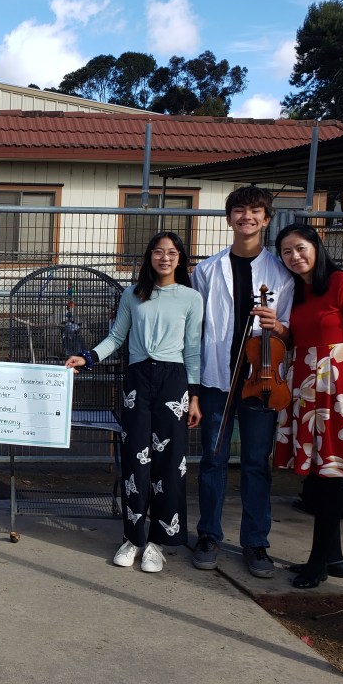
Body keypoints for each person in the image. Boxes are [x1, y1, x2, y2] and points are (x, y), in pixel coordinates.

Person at [65, 233, 202, 573]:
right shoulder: (134, 294)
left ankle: (158, 542)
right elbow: (116, 337)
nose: (165, 258)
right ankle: (133, 537)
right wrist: (88, 357)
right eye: (158, 251)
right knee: (135, 459)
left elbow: (193, 349)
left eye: (172, 252)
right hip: (138, 380)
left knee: (170, 462)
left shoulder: (191, 298)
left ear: (181, 258)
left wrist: (195, 397)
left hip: (174, 380)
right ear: (149, 257)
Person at [192, 186, 295, 577]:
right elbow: (195, 329)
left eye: (255, 211)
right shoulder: (206, 270)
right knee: (213, 459)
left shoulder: (281, 272)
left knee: (255, 462)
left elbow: (290, 333)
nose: (246, 217)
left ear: (266, 219)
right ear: (229, 218)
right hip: (217, 377)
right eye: (239, 210)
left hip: (262, 379)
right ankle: (208, 535)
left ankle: (255, 542)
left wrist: (277, 326)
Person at [274, 223, 343, 588]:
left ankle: (318, 562)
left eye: (300, 248)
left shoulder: (342, 283)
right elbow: (297, 339)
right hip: (305, 387)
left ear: (317, 246)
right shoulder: (295, 292)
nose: (294, 256)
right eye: (286, 252)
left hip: (337, 389)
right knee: (318, 477)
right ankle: (334, 558)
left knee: (331, 475)